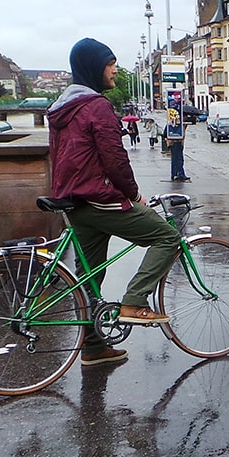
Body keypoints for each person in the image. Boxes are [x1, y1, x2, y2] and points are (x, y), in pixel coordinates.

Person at [47, 37, 181, 365]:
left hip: (73, 201)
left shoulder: (61, 108)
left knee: (88, 278)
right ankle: (134, 303)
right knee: (167, 237)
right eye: (110, 64)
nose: (115, 69)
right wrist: (135, 195)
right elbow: (115, 159)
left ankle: (93, 347)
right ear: (95, 67)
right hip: (99, 200)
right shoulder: (96, 107)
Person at [165, 109, 190, 182]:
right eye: (185, 117)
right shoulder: (176, 123)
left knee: (177, 159)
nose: (186, 119)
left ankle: (176, 174)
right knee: (178, 159)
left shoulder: (181, 124)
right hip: (175, 142)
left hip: (178, 143)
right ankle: (179, 174)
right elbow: (167, 133)